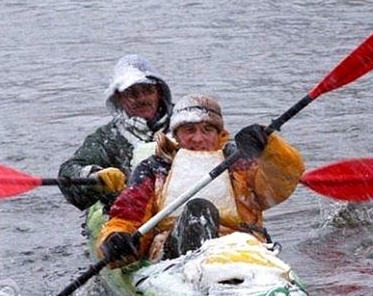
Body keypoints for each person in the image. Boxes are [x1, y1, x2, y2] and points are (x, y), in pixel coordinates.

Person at [96, 93, 305, 268]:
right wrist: (117, 239)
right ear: (176, 135)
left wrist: (269, 148)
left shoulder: (238, 163)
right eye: (189, 130)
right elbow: (128, 216)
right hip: (174, 257)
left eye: (207, 130)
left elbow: (282, 182)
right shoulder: (154, 168)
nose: (198, 138)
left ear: (219, 133)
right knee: (199, 210)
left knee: (206, 214)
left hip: (243, 251)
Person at [58, 54, 173, 210]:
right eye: (133, 94)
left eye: (148, 90)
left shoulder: (185, 125)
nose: (142, 99)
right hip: (127, 211)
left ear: (159, 92)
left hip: (177, 203)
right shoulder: (107, 139)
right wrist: (94, 176)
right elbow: (69, 170)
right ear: (119, 98)